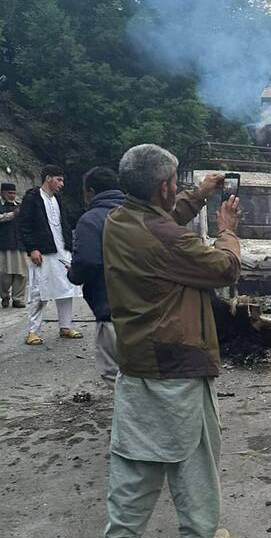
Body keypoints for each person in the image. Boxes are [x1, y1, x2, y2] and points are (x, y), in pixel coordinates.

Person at [103, 144, 240, 538]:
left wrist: (198, 195)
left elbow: (162, 224)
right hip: (177, 369)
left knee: (134, 468)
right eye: (176, 183)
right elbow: (225, 267)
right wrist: (227, 230)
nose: (178, 188)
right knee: (195, 470)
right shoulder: (165, 239)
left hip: (137, 365)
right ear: (164, 188)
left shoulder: (120, 219)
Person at [67, 167, 125, 386]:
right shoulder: (138, 214)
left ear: (90, 192)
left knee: (116, 376)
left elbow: (87, 262)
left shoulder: (90, 220)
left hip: (110, 308)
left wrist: (72, 273)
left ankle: (130, 420)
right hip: (146, 311)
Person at [18, 165, 82, 345]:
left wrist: (70, 247)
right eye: (58, 179)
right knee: (40, 291)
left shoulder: (58, 199)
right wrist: (32, 248)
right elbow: (25, 226)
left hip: (62, 250)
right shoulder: (32, 198)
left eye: (62, 180)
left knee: (65, 288)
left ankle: (65, 326)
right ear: (48, 178)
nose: (62, 184)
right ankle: (32, 331)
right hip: (42, 252)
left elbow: (65, 223)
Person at [0, 182, 27, 308]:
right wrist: (12, 215)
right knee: (4, 273)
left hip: (20, 243)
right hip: (4, 244)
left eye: (14, 193)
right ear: (2, 193)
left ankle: (18, 298)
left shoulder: (21, 206)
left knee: (21, 273)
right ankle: (5, 296)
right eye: (9, 193)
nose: (12, 195)